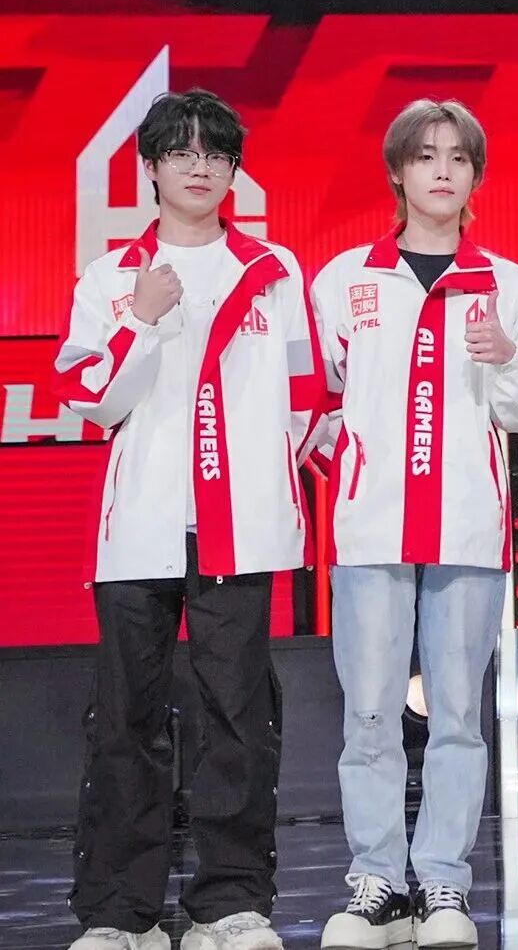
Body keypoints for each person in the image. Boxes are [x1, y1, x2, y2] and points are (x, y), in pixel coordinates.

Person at [54, 90, 316, 950]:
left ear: (234, 169)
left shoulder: (272, 268)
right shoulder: (111, 276)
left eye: (216, 153)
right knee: (126, 717)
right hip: (141, 525)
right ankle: (117, 913)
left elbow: (308, 397)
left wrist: (260, 476)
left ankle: (229, 903)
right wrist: (141, 317)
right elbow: (90, 398)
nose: (200, 167)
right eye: (181, 152)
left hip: (242, 526)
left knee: (238, 713)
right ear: (152, 167)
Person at [309, 101, 518, 947]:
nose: (442, 170)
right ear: (397, 172)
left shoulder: (508, 284)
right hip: (371, 530)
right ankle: (375, 881)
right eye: (425, 155)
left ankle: (444, 882)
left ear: (475, 176)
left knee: (457, 718)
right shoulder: (344, 280)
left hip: (468, 530)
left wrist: (506, 358)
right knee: (370, 715)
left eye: (457, 157)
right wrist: (348, 454)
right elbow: (316, 399)